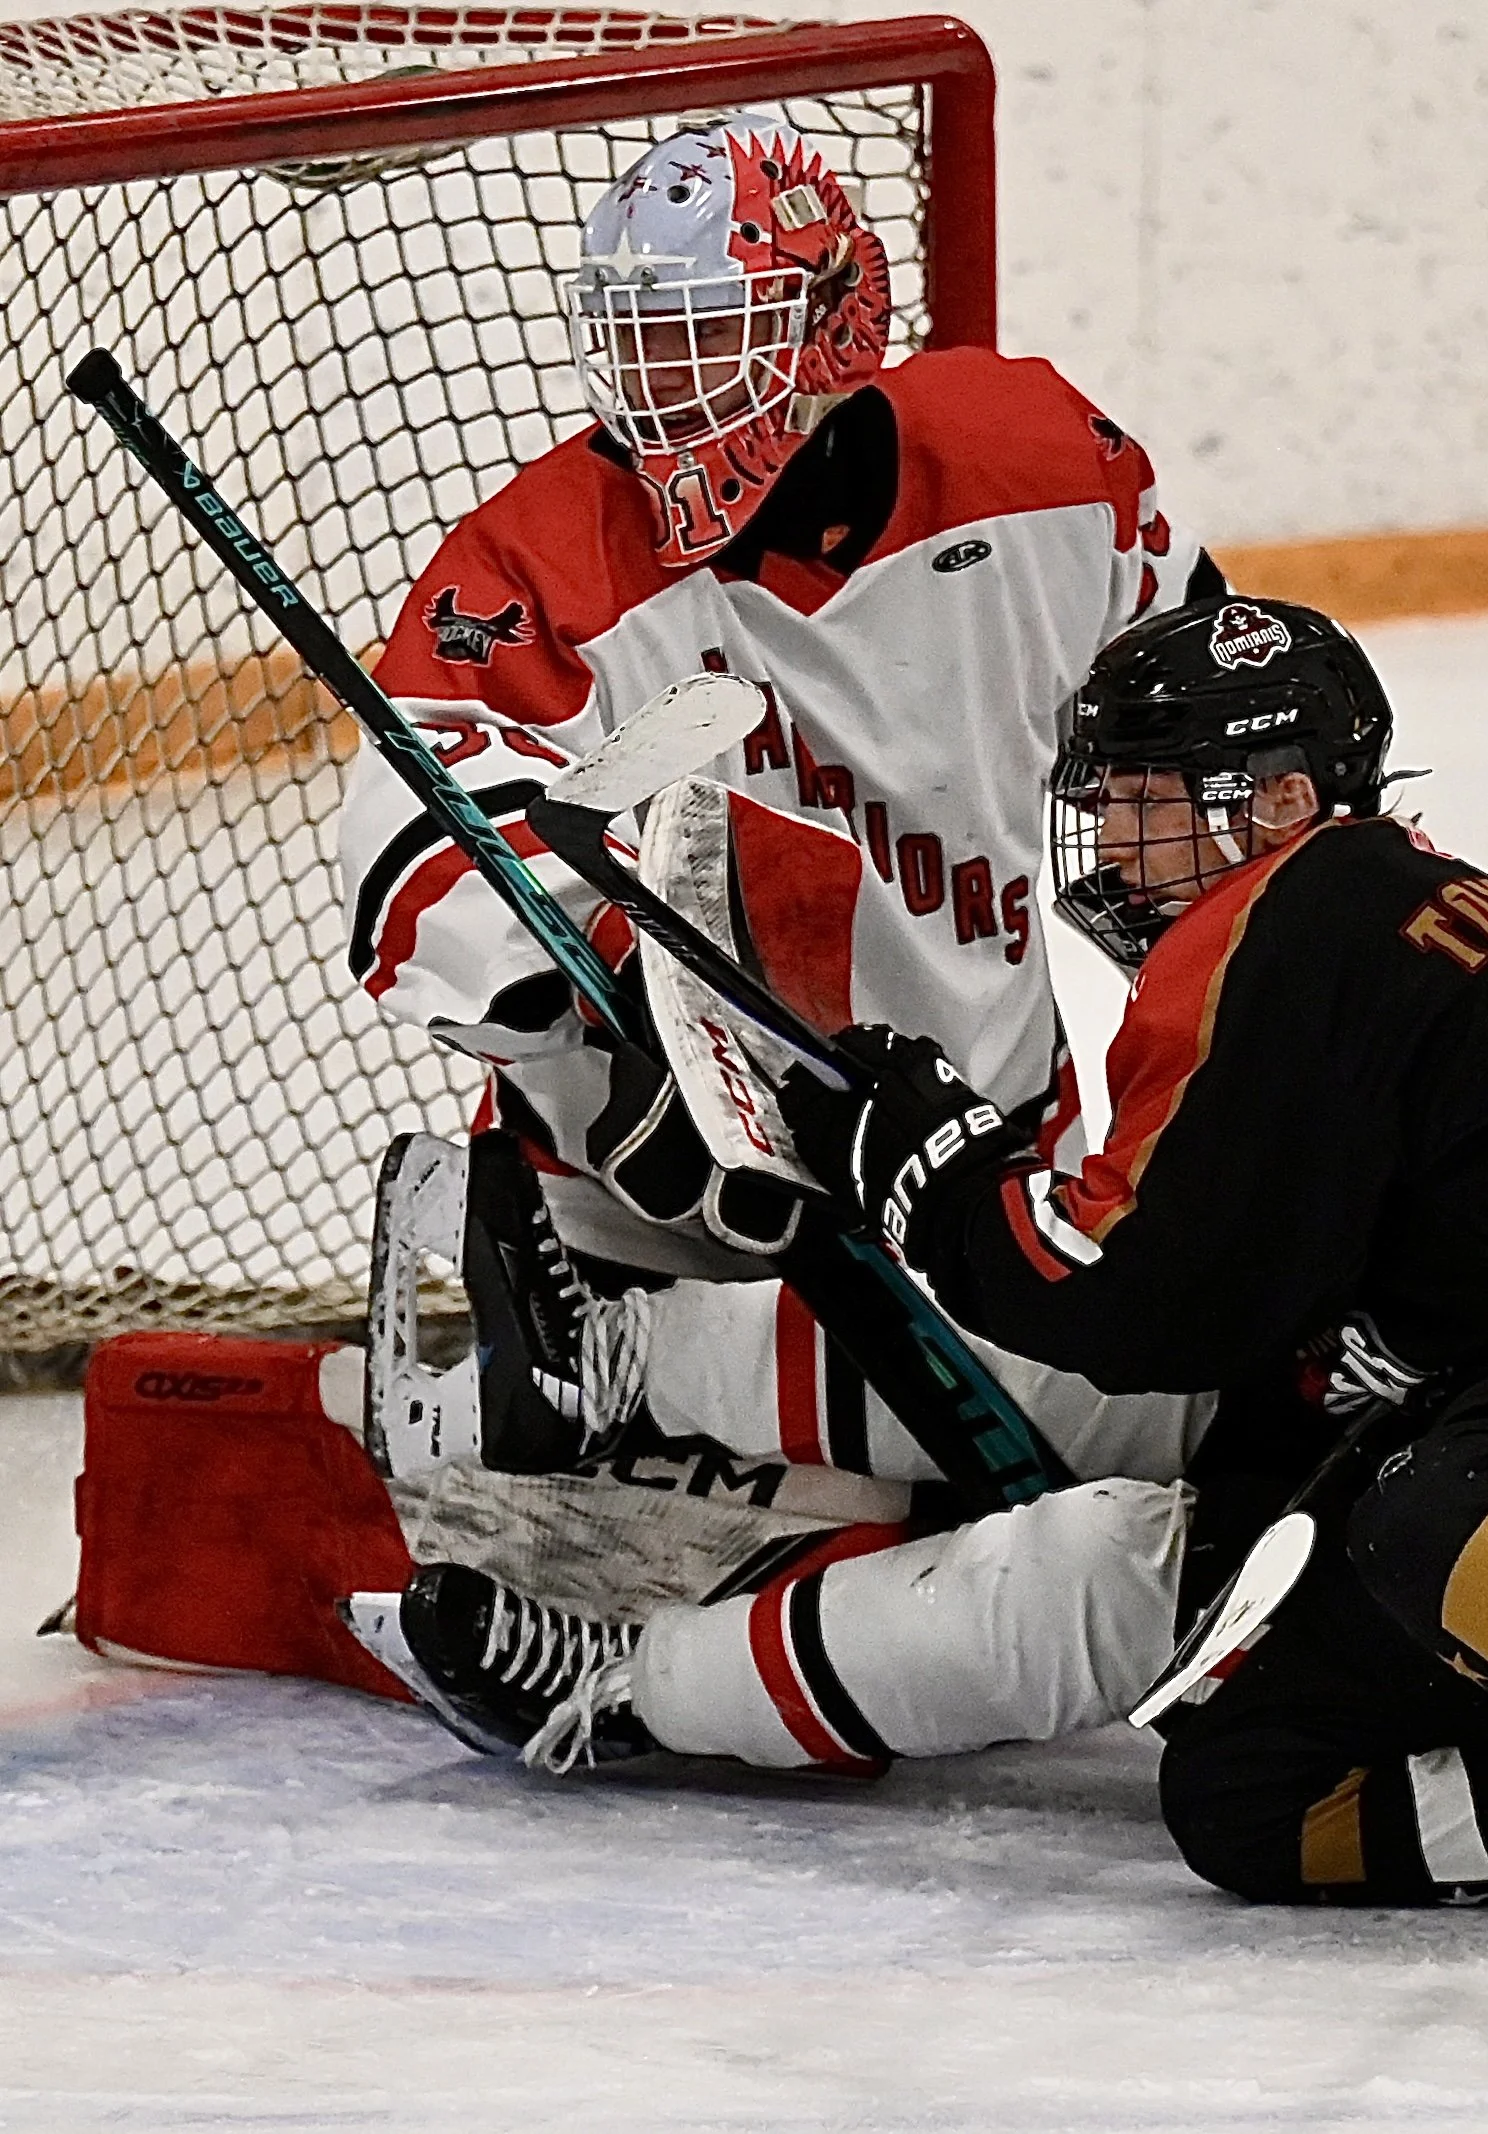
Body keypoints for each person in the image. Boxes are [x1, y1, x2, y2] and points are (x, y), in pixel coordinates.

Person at [382, 599, 1488, 2038]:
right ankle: (605, 1373)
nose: (1109, 849)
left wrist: (917, 1164)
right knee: (1235, 1764)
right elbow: (1200, 1277)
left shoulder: (1293, 915)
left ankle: (642, 1679)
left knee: (1099, 1566)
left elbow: (1127, 1291)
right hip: (1459, 1390)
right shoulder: (1371, 909)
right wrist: (905, 1149)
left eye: (1151, 806)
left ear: (1281, 803)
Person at [337, 106, 1217, 1469]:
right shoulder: (543, 562)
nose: (656, 384)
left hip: (973, 1171)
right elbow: (417, 861)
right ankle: (563, 1384)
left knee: (1115, 1486)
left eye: (700, 335)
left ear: (830, 328)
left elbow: (1213, 763)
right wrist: (617, 1008)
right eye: (637, 339)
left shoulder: (1041, 468)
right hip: (645, 1220)